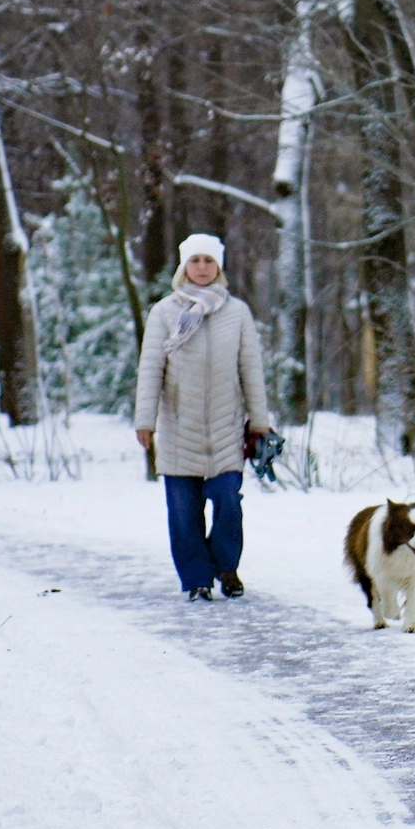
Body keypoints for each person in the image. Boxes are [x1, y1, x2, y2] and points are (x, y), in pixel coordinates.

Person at [134, 234, 273, 601]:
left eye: (208, 261)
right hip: (179, 429)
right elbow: (150, 368)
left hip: (227, 431)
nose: (201, 268)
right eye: (194, 261)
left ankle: (226, 565)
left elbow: (251, 369)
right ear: (183, 266)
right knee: (184, 514)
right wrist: (144, 420)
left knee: (228, 501)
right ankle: (197, 578)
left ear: (219, 266)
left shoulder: (237, 312)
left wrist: (260, 420)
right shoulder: (164, 312)